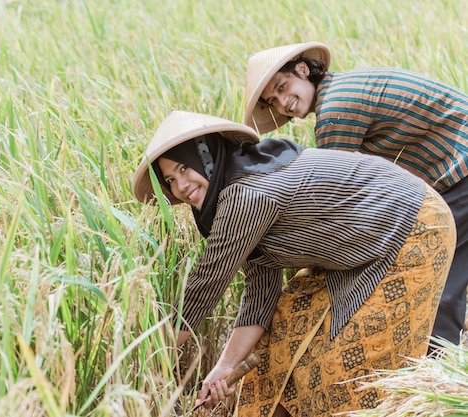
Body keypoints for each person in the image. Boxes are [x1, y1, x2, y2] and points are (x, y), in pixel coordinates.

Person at [132, 110, 455, 416]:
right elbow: (261, 288)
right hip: (351, 248)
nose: (181, 187)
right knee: (280, 341)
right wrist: (226, 366)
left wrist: (149, 357)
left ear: (207, 157)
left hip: (411, 225)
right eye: (171, 180)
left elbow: (207, 284)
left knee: (349, 367)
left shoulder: (246, 193)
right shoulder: (230, 196)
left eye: (185, 168)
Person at [244, 41, 468, 348]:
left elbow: (334, 206)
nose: (284, 101)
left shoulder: (335, 111)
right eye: (274, 100)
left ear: (302, 70)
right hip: (457, 170)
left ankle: (437, 372)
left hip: (461, 169)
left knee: (435, 272)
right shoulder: (344, 87)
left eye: (283, 87)